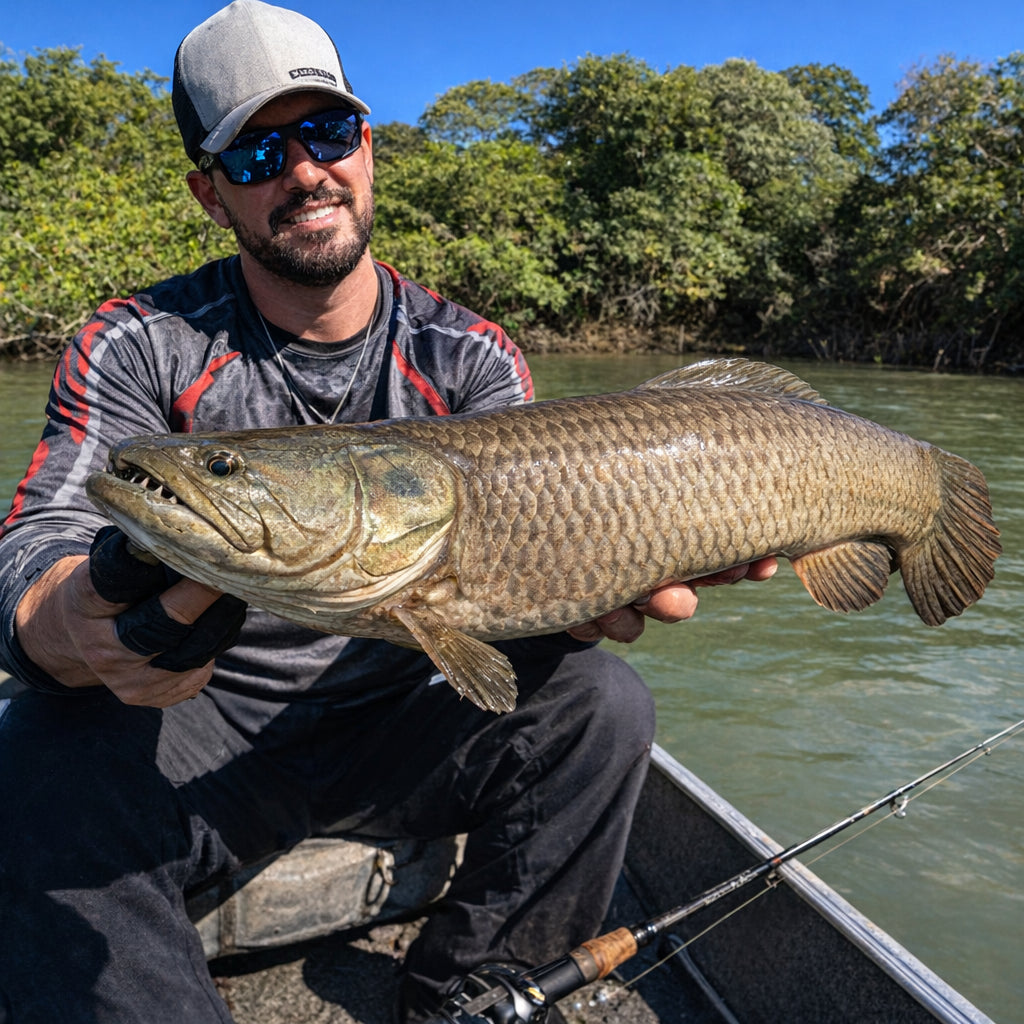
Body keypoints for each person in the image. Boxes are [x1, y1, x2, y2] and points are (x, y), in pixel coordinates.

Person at [0, 3, 777, 1022]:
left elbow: (514, 612)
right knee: (34, 751)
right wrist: (71, 625)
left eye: (326, 133)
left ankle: (471, 991)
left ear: (367, 148)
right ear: (210, 193)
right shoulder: (138, 341)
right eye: (256, 155)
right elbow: (42, 541)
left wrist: (589, 590)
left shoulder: (471, 357)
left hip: (407, 716)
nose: (304, 171)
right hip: (194, 727)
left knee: (601, 701)